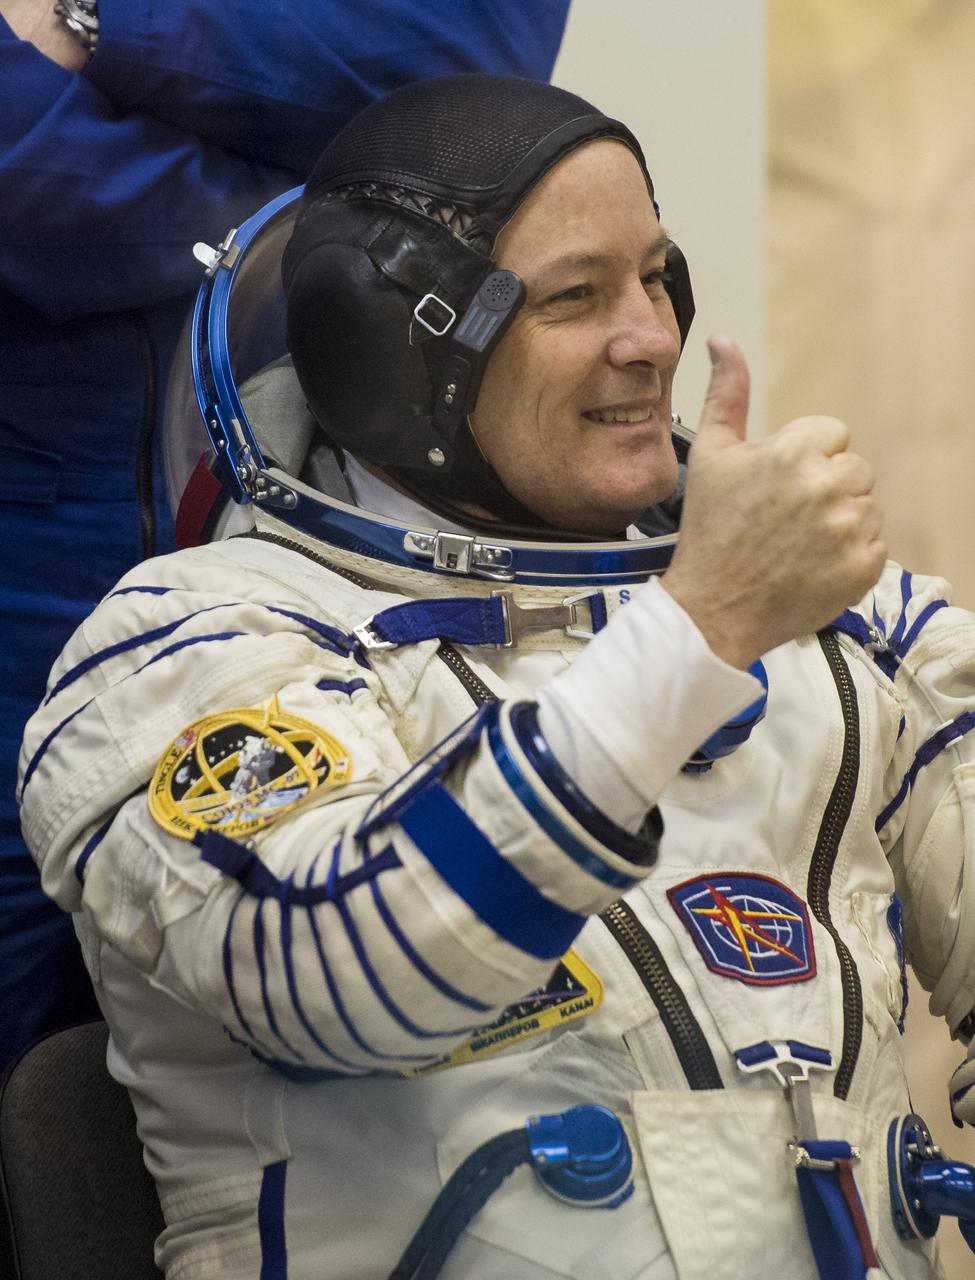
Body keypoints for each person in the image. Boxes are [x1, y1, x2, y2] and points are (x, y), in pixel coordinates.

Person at [18, 73, 975, 1279]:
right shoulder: (187, 645)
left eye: (658, 278)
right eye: (576, 296)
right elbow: (342, 964)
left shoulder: (837, 615)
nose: (653, 338)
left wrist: (709, 609)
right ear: (390, 355)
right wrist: (697, 631)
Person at [0, 0, 570, 1070]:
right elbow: (24, 178)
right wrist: (312, 216)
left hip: (316, 533)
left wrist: (95, 17)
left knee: (336, 1038)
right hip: (29, 545)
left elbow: (470, 62)